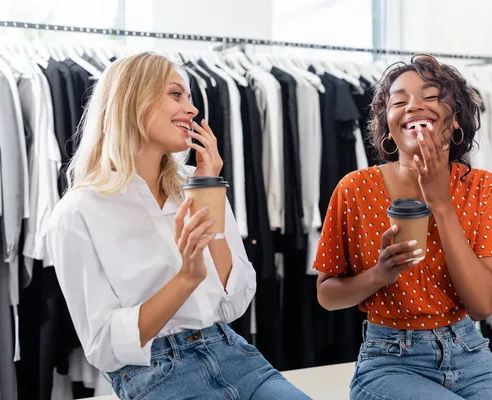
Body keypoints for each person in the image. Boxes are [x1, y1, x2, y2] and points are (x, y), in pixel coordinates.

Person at [46, 52, 309, 400]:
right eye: (176, 95)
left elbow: (236, 300)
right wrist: (187, 278)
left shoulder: (198, 185)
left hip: (234, 355)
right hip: (156, 373)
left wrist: (208, 188)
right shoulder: (77, 213)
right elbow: (104, 346)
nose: (192, 109)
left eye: (188, 96)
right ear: (133, 100)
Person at [313, 54, 492, 400]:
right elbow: (326, 294)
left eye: (430, 96)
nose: (413, 106)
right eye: (399, 101)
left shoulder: (485, 188)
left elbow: (482, 305)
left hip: (470, 354)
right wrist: (378, 276)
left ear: (455, 121)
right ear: (388, 126)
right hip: (389, 361)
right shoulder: (354, 189)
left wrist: (441, 203)